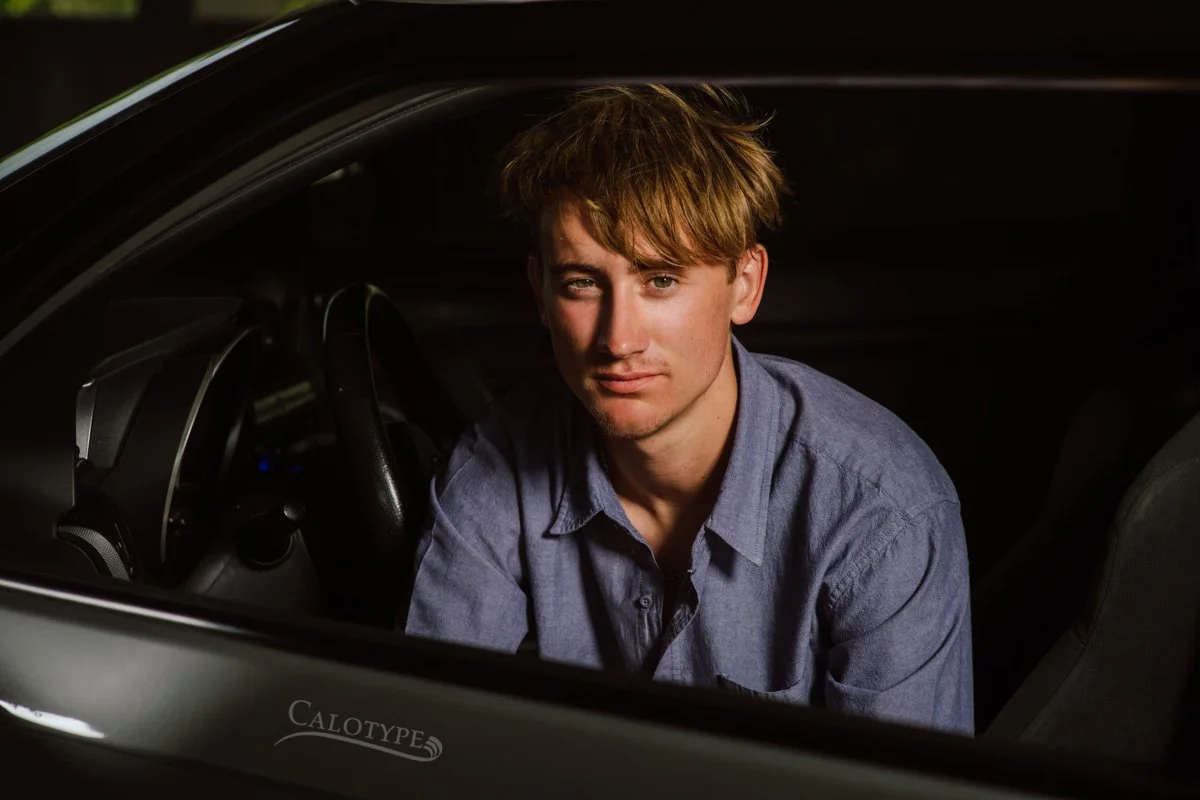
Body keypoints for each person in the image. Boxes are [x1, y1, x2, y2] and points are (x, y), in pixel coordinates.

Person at [404, 85, 973, 734]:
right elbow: (427, 747)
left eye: (661, 279)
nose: (618, 340)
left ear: (746, 285)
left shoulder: (882, 511)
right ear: (540, 293)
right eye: (583, 283)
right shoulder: (495, 469)